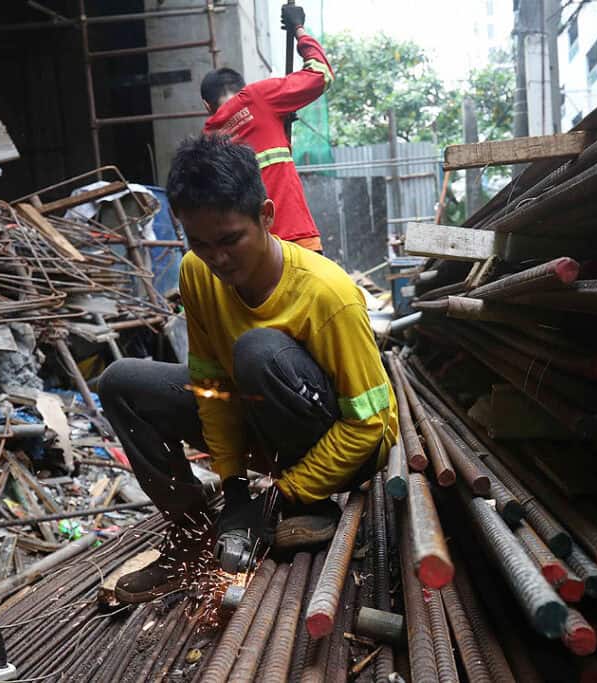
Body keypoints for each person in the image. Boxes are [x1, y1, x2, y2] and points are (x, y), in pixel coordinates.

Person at [98, 134, 397, 603]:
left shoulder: (327, 295)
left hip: (333, 445)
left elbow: (374, 429)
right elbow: (210, 385)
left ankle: (309, 504)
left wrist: (279, 496)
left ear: (266, 216)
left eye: (230, 240)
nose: (216, 258)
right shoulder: (197, 273)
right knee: (121, 383)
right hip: (254, 420)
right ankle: (195, 535)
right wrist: (235, 486)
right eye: (200, 243)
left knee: (258, 351)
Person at [200, 4, 331, 252]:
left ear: (207, 106)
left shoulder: (205, 143)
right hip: (298, 241)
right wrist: (299, 29)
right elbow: (321, 75)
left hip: (251, 259)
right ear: (241, 88)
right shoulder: (257, 96)